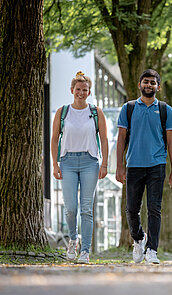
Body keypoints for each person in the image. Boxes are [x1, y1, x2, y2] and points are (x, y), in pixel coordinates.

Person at [116, 69, 172, 265]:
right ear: (139, 85)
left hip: (157, 165)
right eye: (146, 82)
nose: (149, 85)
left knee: (154, 208)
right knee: (131, 209)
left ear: (158, 87)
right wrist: (119, 166)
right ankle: (139, 239)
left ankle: (152, 249)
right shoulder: (128, 108)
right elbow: (121, 139)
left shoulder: (165, 110)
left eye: (153, 82)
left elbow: (171, 142)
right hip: (134, 164)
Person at [51, 71, 109, 264]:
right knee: (70, 208)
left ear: (89, 92)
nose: (81, 93)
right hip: (67, 162)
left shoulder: (95, 112)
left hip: (89, 162)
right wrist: (55, 164)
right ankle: (73, 240)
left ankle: (85, 251)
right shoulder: (62, 112)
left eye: (85, 90)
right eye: (78, 89)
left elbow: (104, 139)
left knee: (86, 208)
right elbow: (54, 139)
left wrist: (105, 164)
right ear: (72, 90)